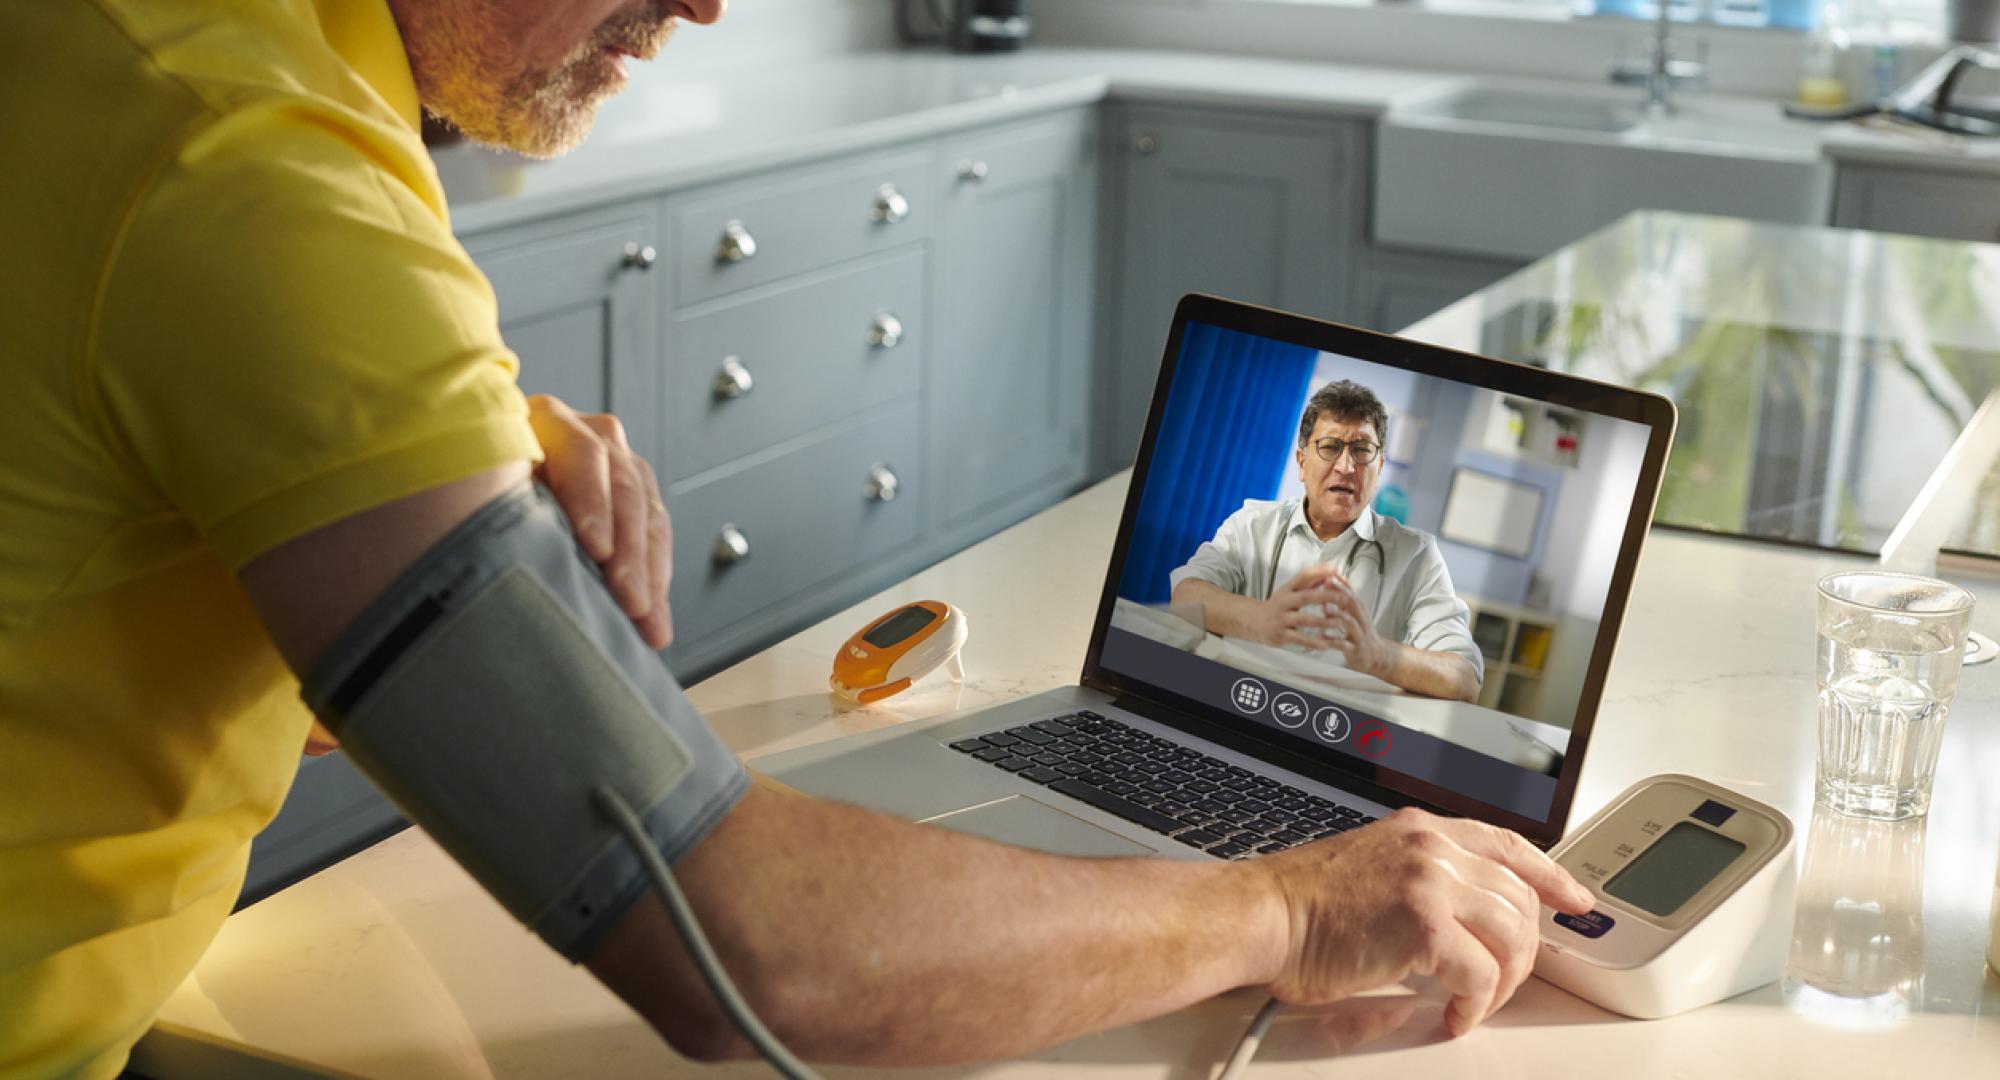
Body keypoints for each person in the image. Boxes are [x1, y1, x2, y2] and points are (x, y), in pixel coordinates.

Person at [0, 2, 1591, 1075]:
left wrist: (399, 512)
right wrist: (1290, 909)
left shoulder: (138, 56)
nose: (705, 3)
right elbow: (747, 947)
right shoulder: (248, 158)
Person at [1172, 380, 1484, 702]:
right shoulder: (1252, 523)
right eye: (1330, 446)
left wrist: (1376, 655)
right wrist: (1259, 621)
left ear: (1380, 467)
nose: (1346, 466)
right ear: (1302, 462)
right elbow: (1185, 596)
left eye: (1362, 450)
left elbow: (1463, 679)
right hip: (1240, 702)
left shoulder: (1417, 556)